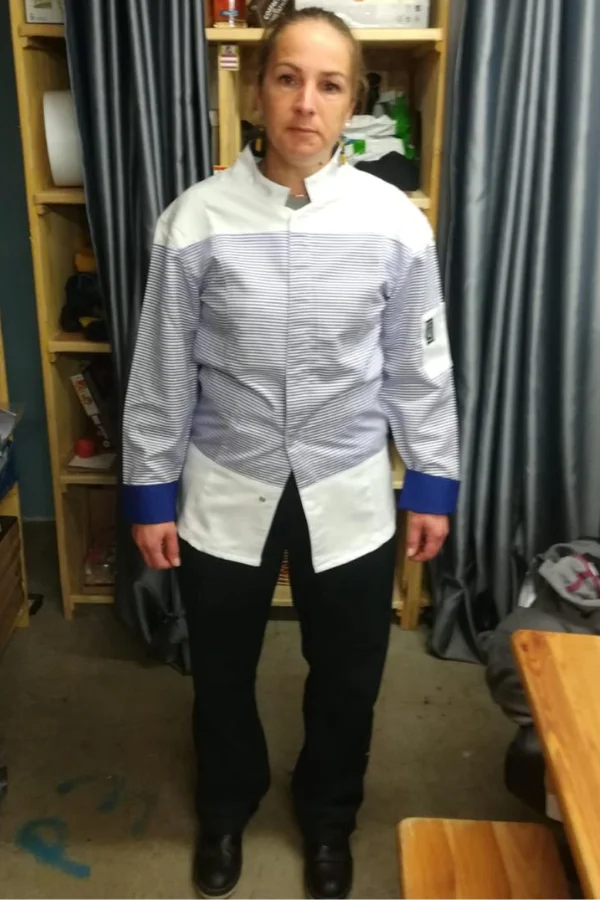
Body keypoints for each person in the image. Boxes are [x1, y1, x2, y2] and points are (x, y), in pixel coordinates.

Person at [122, 7, 460, 898]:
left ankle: (329, 817)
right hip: (225, 481)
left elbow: (417, 364)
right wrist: (150, 490)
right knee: (222, 669)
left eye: (330, 84)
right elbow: (162, 367)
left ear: (353, 102)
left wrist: (431, 478)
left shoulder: (395, 223)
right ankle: (226, 807)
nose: (307, 102)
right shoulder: (194, 220)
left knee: (348, 675)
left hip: (349, 484)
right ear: (257, 92)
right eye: (288, 78)